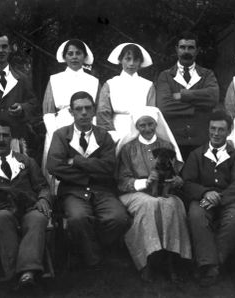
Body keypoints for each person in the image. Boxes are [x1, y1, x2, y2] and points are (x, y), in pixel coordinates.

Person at [46, 91, 129, 267]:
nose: (83, 112)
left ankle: (96, 248)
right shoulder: (61, 135)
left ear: (93, 111)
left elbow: (109, 167)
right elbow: (54, 166)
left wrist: (76, 161)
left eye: (87, 108)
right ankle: (93, 259)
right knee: (78, 218)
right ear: (71, 112)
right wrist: (89, 173)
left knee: (118, 218)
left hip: (102, 190)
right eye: (78, 109)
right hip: (72, 191)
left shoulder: (104, 135)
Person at [0, 120, 51, 287]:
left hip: (27, 209)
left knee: (38, 218)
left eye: (5, 135)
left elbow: (42, 186)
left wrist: (43, 199)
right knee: (3, 217)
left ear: (12, 139)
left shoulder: (27, 161)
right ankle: (19, 274)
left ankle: (26, 274)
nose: (1, 139)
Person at [116, 106, 191, 282]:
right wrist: (144, 183)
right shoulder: (128, 148)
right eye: (142, 125)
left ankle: (171, 259)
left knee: (172, 205)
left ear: (157, 124)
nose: (147, 129)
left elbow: (177, 174)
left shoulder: (166, 145)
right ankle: (147, 260)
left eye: (151, 124)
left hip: (165, 191)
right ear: (136, 126)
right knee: (150, 205)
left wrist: (176, 181)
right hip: (134, 192)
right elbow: (122, 180)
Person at [182, 110, 235, 287]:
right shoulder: (196, 155)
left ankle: (210, 264)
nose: (216, 134)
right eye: (213, 129)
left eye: (221, 130)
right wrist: (205, 193)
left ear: (229, 131)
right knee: (196, 215)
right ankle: (210, 264)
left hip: (228, 200)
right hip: (202, 199)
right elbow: (187, 183)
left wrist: (220, 197)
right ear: (208, 129)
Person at [41, 39, 100, 192]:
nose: (74, 57)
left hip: (86, 125)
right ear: (65, 57)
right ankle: (54, 200)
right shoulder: (55, 79)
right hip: (60, 125)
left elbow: (97, 110)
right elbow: (48, 111)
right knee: (57, 161)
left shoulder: (93, 81)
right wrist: (54, 133)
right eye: (70, 54)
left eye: (78, 53)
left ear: (84, 57)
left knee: (83, 160)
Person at [156, 31, 219, 160]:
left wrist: (182, 95)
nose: (186, 51)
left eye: (191, 48)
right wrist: (197, 107)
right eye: (182, 47)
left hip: (201, 140)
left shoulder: (207, 74)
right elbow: (165, 106)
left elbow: (213, 98)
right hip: (174, 140)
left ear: (197, 50)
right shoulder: (165, 76)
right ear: (176, 50)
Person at [97, 43, 156, 143]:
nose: (131, 63)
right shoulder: (110, 84)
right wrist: (112, 134)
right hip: (116, 131)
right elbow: (103, 112)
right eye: (127, 59)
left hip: (141, 131)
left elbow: (151, 112)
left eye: (136, 60)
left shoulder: (148, 85)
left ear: (140, 62)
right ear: (120, 60)